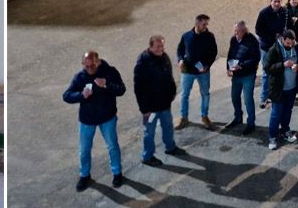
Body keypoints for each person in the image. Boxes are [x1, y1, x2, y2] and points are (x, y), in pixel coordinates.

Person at [63, 51, 126, 191]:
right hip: (87, 120)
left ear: (98, 62)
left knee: (112, 146)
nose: (89, 68)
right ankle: (85, 175)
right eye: (86, 66)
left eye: (91, 65)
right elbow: (66, 96)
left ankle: (117, 173)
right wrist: (81, 95)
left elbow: (121, 90)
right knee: (84, 150)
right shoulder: (80, 77)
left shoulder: (109, 72)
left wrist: (106, 84)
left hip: (107, 117)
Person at [134, 36, 184, 167]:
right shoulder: (143, 62)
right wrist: (144, 110)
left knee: (168, 127)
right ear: (150, 47)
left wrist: (172, 93)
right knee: (149, 133)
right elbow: (139, 88)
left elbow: (169, 77)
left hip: (164, 104)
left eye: (162, 46)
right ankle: (147, 156)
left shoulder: (164, 57)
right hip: (150, 108)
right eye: (158, 46)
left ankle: (170, 147)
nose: (161, 49)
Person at [176, 14, 218, 130]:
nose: (206, 26)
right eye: (204, 24)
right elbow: (180, 50)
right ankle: (184, 118)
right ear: (197, 24)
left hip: (203, 72)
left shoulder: (210, 36)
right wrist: (180, 60)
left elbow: (214, 52)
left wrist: (207, 65)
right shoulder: (186, 36)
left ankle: (205, 117)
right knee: (184, 95)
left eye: (206, 24)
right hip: (187, 71)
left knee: (205, 94)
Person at [265, 30, 298, 150]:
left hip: (292, 88)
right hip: (278, 89)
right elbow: (267, 68)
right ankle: (272, 137)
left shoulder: (297, 47)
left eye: (292, 43)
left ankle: (285, 131)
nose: (290, 45)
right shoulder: (274, 50)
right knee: (276, 114)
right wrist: (283, 64)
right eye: (287, 43)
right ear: (282, 40)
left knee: (288, 111)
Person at [225, 20, 261, 133]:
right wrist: (228, 67)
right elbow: (230, 54)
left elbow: (256, 59)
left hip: (248, 75)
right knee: (234, 97)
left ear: (244, 30)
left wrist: (241, 66)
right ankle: (238, 118)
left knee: (247, 99)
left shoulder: (252, 40)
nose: (235, 33)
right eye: (234, 31)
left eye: (238, 31)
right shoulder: (233, 39)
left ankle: (251, 123)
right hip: (236, 75)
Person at [255, 0, 288, 110]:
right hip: (266, 47)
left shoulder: (283, 12)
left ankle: (275, 96)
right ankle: (264, 98)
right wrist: (273, 36)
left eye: (279, 1)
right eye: (275, 1)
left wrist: (281, 35)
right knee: (266, 73)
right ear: (271, 2)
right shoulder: (264, 13)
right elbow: (258, 30)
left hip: (277, 47)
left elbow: (283, 26)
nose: (277, 3)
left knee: (278, 71)